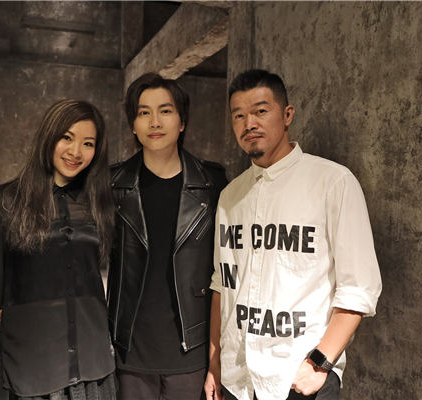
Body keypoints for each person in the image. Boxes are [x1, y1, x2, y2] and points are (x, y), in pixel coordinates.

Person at [204, 70, 382, 400]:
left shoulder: (333, 182)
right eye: (239, 115)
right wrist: (215, 363)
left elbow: (359, 288)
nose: (249, 124)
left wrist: (319, 364)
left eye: (260, 111)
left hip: (298, 377)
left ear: (287, 115)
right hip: (237, 380)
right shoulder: (230, 196)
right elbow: (222, 284)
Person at [0, 99, 117, 400]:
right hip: (33, 359)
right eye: (67, 137)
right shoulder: (5, 199)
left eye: (88, 143)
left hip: (92, 356)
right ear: (48, 136)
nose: (76, 152)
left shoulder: (101, 201)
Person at [107, 73, 228, 399]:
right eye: (144, 112)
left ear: (182, 121)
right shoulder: (113, 184)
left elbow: (225, 272)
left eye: (165, 110)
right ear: (133, 125)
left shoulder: (212, 183)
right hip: (130, 351)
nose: (155, 122)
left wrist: (216, 357)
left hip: (190, 351)